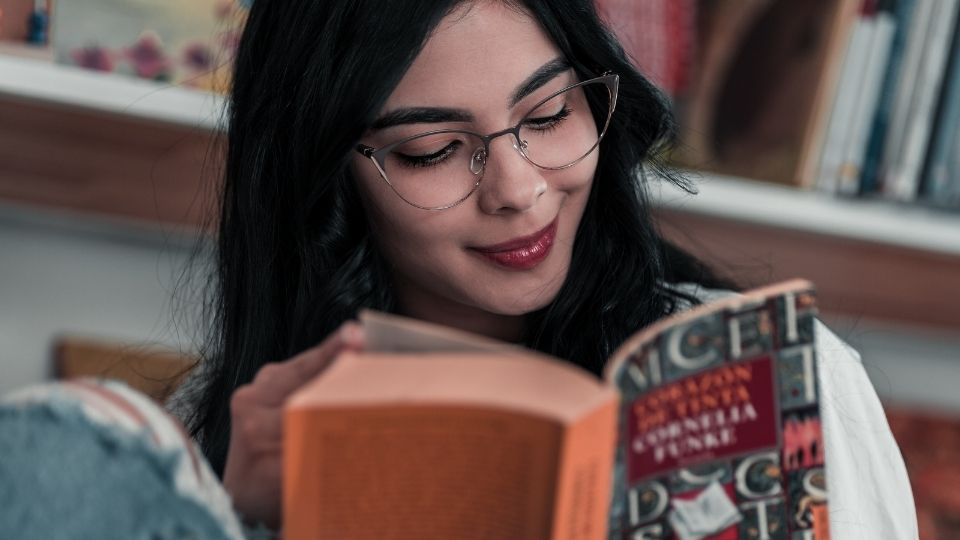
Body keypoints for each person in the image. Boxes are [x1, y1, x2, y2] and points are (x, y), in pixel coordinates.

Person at [163, 0, 920, 538]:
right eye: (432, 151)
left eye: (550, 114)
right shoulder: (227, 427)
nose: (520, 192)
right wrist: (237, 518)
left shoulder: (786, 378)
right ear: (326, 179)